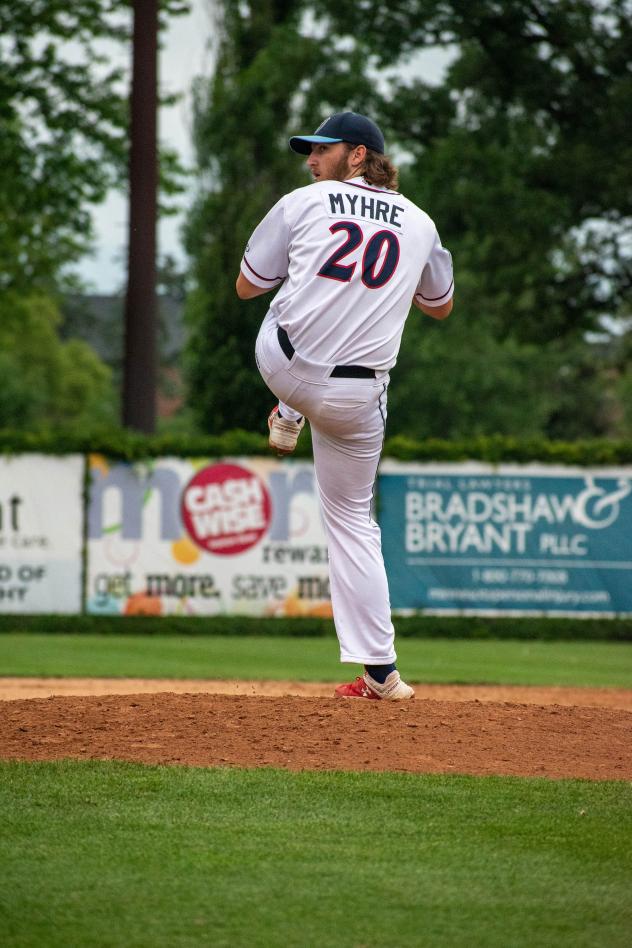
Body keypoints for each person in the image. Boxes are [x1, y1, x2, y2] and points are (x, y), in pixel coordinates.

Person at [236, 112, 453, 700]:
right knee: (355, 521)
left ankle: (288, 407)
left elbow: (246, 284)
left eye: (321, 150)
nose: (310, 160)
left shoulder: (304, 202)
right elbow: (439, 306)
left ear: (358, 156)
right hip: (359, 398)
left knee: (279, 304)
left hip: (283, 364)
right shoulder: (422, 223)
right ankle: (382, 674)